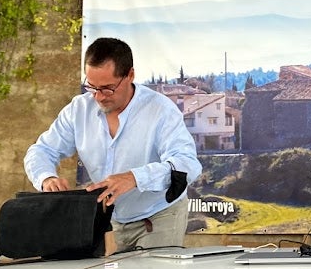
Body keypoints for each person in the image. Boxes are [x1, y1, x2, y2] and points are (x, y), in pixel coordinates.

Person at [25, 37, 203, 251]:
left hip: (159, 215)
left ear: (130, 75)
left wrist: (135, 178)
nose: (99, 97)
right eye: (91, 87)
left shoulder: (161, 110)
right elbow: (41, 150)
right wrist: (47, 178)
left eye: (108, 88)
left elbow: (187, 165)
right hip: (110, 218)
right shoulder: (78, 110)